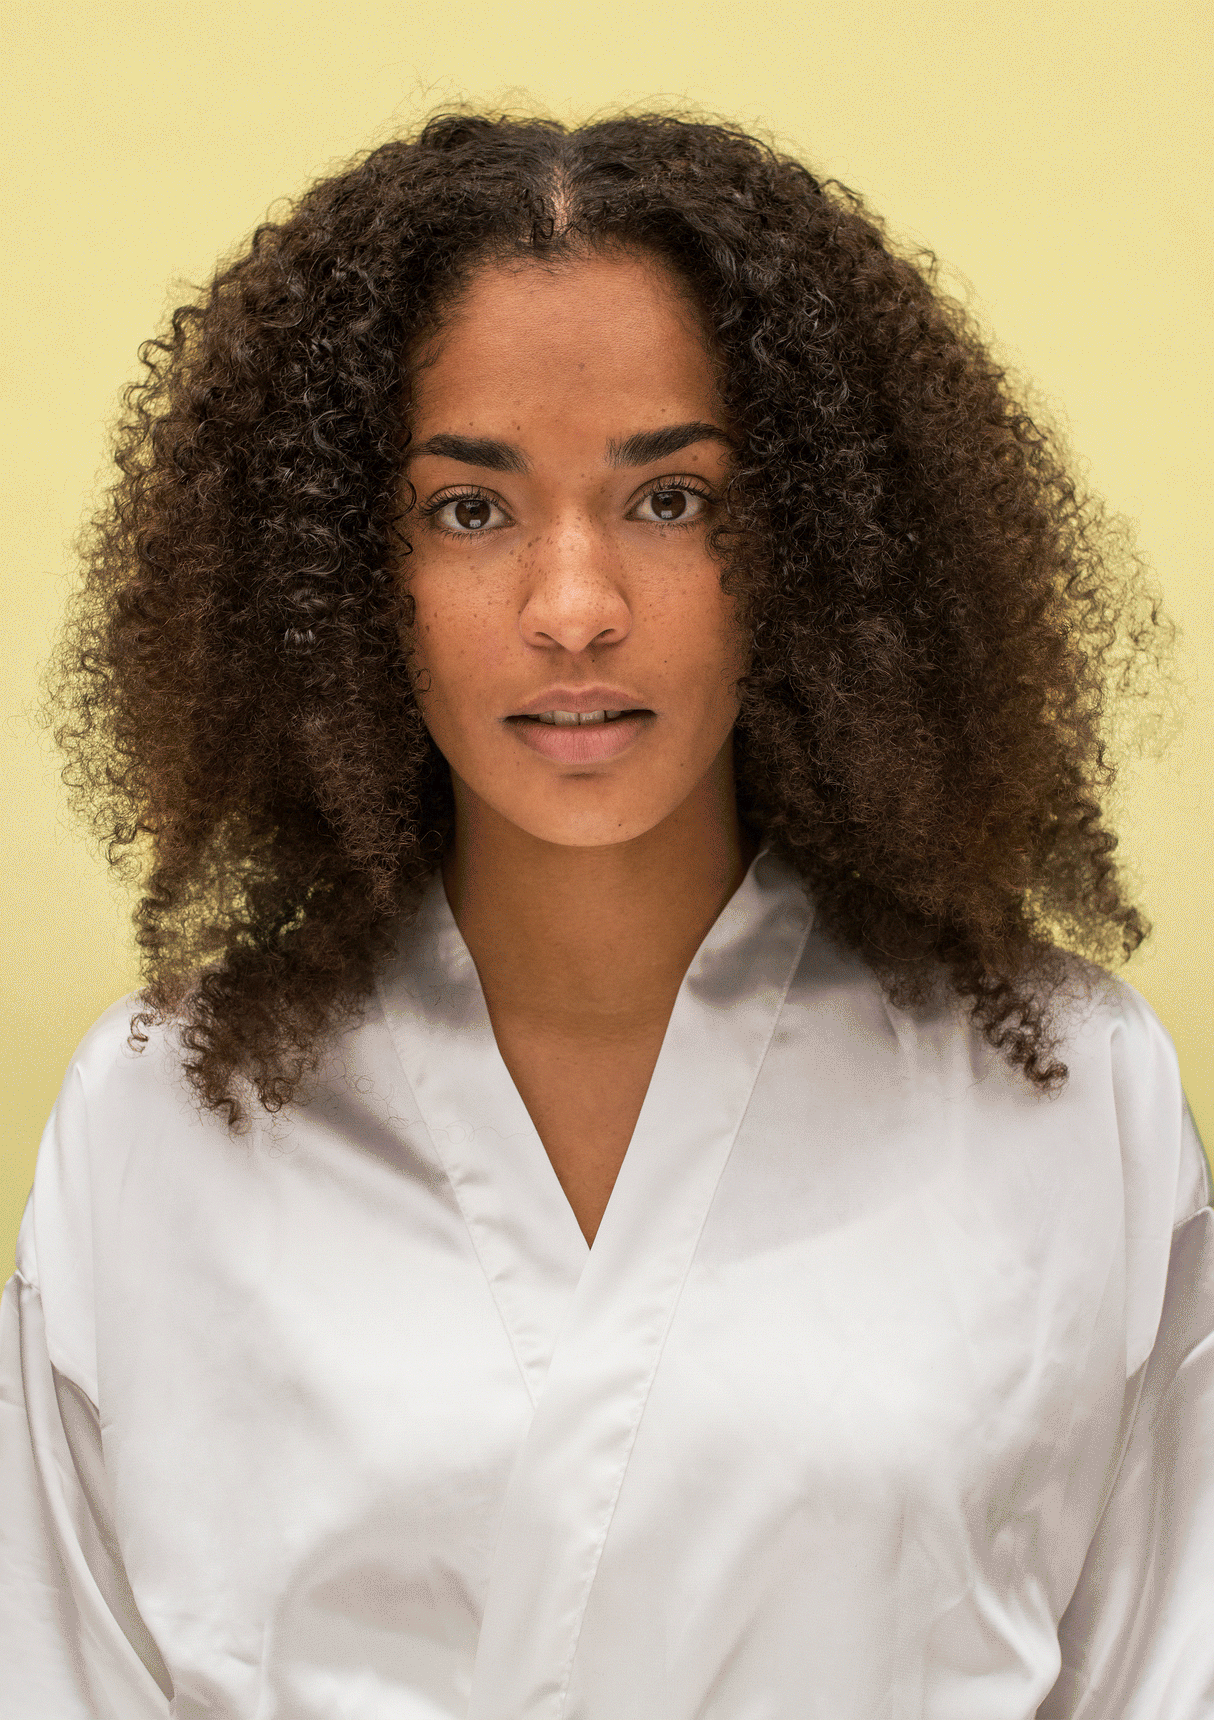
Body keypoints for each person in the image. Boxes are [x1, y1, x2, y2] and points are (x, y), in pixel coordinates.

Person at [2, 109, 1210, 1719]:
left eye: (670, 500)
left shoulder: (1068, 1093)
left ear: (818, 547)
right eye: (469, 509)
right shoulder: (157, 1119)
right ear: (339, 575)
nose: (574, 609)